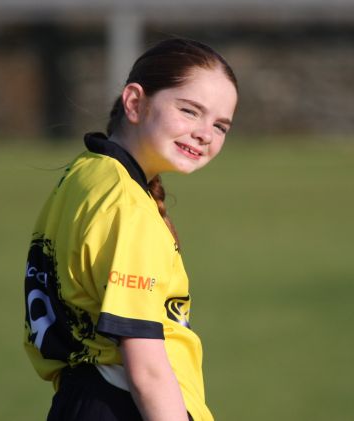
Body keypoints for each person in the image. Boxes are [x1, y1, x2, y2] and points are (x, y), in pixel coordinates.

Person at [23, 38, 238, 421]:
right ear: (135, 103)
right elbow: (148, 370)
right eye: (190, 111)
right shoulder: (129, 207)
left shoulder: (87, 173)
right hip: (125, 405)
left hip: (80, 399)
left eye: (220, 125)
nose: (205, 133)